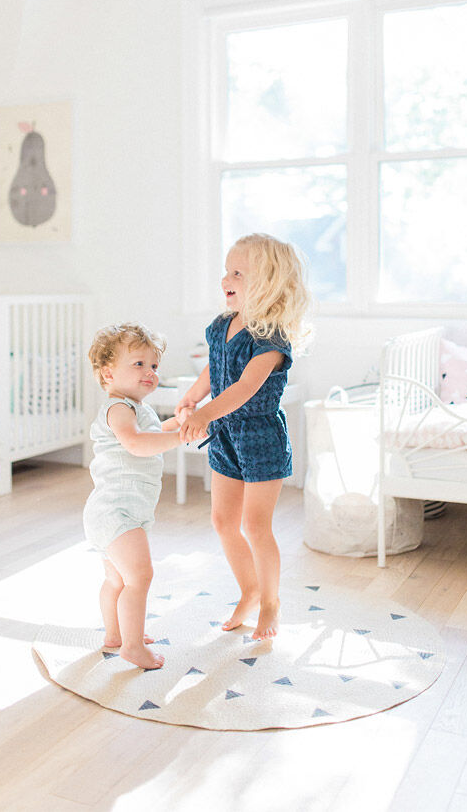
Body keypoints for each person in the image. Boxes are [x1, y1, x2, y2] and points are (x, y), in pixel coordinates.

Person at [176, 233, 310, 641]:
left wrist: (204, 413)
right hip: (225, 436)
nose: (225, 279)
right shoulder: (221, 326)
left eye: (238, 273)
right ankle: (249, 590)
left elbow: (245, 388)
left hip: (259, 435)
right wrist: (192, 397)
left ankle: (271, 602)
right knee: (222, 520)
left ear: (268, 282)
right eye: (226, 270)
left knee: (255, 526)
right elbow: (213, 371)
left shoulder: (271, 339)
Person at [84, 323, 183, 669]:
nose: (149, 372)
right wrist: (178, 439)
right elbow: (136, 443)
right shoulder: (119, 409)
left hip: (116, 512)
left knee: (117, 580)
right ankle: (132, 647)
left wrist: (177, 426)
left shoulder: (138, 410)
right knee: (140, 577)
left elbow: (152, 433)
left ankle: (116, 635)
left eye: (153, 366)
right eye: (138, 364)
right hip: (118, 512)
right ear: (108, 373)